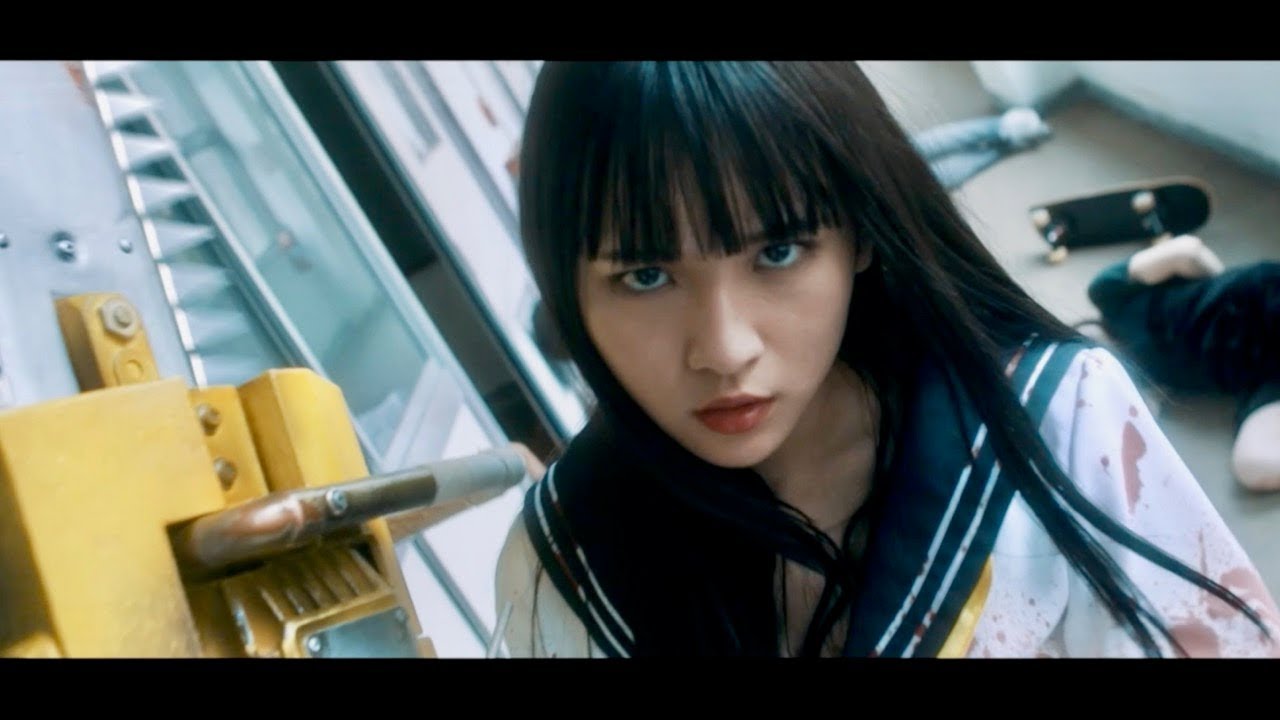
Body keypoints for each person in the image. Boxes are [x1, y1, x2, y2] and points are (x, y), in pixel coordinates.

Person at [493, 62, 1279, 658]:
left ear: (859, 235)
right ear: (567, 285)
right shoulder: (563, 561)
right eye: (645, 275)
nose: (726, 351)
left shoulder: (1056, 417)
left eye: (778, 251)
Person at [1087, 233, 1280, 492]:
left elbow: (1188, 252)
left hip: (1250, 298)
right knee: (1254, 464)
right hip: (1258, 355)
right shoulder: (1139, 387)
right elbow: (1252, 466)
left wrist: (1215, 284)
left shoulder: (1109, 295)